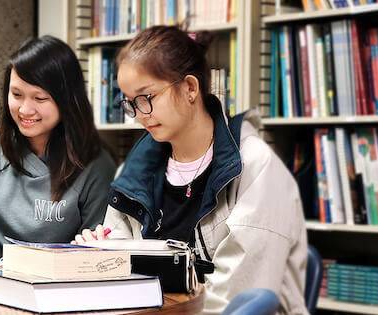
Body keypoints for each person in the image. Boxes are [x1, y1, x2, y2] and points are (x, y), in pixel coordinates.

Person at [74, 26, 308, 314]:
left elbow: (235, 296)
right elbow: (123, 270)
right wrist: (101, 256)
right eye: (130, 103)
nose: (139, 114)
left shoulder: (255, 166)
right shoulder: (137, 168)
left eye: (147, 97)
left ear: (190, 88)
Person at [0, 36, 116, 263]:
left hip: (66, 285)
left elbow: (95, 245)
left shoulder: (96, 165)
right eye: (16, 95)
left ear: (67, 99)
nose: (25, 109)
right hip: (5, 284)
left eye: (40, 98)